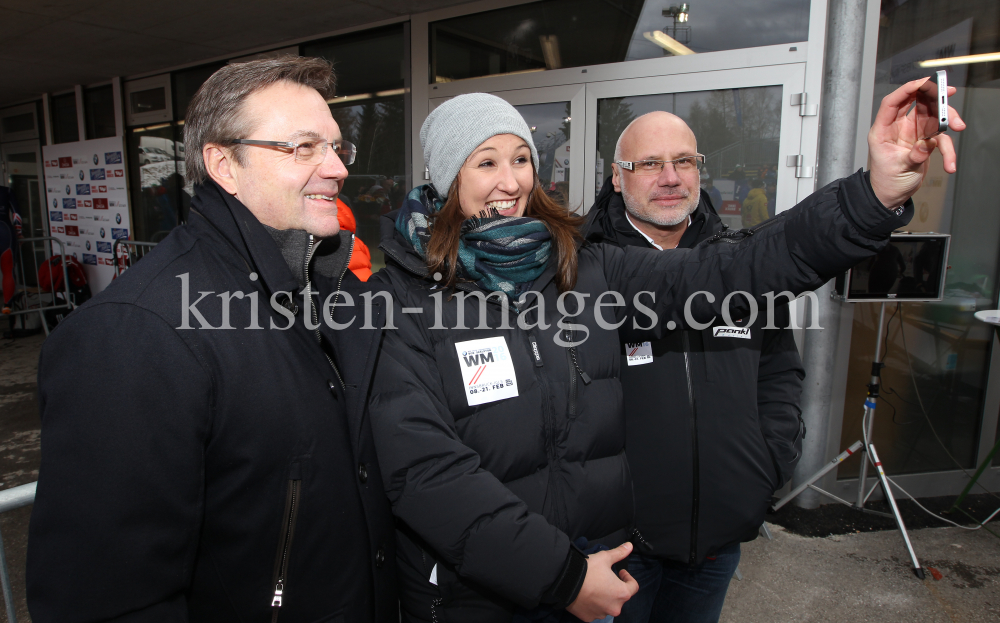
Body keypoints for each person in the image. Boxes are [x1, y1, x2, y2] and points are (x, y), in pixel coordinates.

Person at [366, 81, 962, 623]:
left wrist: (872, 195)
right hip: (481, 597)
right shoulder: (400, 298)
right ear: (447, 178)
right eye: (486, 162)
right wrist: (563, 576)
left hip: (592, 577)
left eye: (522, 159)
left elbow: (734, 270)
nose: (512, 181)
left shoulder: (585, 268)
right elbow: (428, 474)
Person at [27, 57, 397, 622]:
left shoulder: (327, 285)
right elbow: (107, 599)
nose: (337, 168)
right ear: (223, 164)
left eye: (336, 147)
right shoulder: (133, 333)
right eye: (303, 148)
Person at [584, 111, 803, 623]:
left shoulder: (741, 265)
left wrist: (768, 467)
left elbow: (780, 373)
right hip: (614, 553)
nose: (670, 177)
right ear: (617, 177)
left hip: (716, 542)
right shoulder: (582, 270)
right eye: (650, 163)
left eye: (684, 160)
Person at [0, 185, 23, 315]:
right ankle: (7, 305)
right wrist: (18, 232)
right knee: (8, 270)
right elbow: (16, 212)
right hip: (5, 231)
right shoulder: (6, 191)